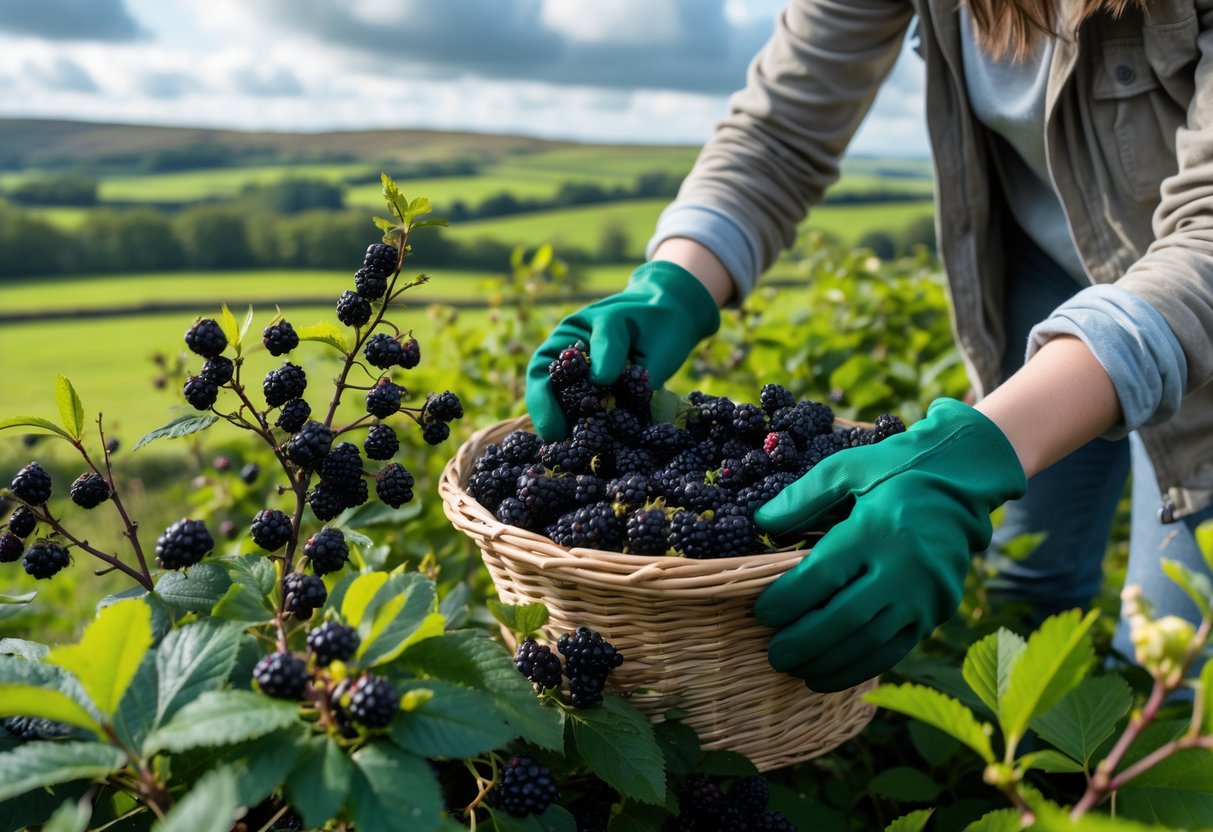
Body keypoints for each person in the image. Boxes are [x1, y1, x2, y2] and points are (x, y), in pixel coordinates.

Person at [526, 0, 1213, 693]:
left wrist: (972, 454)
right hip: (1049, 276)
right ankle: (1038, 774)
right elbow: (780, 130)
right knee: (1028, 575)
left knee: (1174, 671)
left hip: (1198, 301)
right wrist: (672, 283)